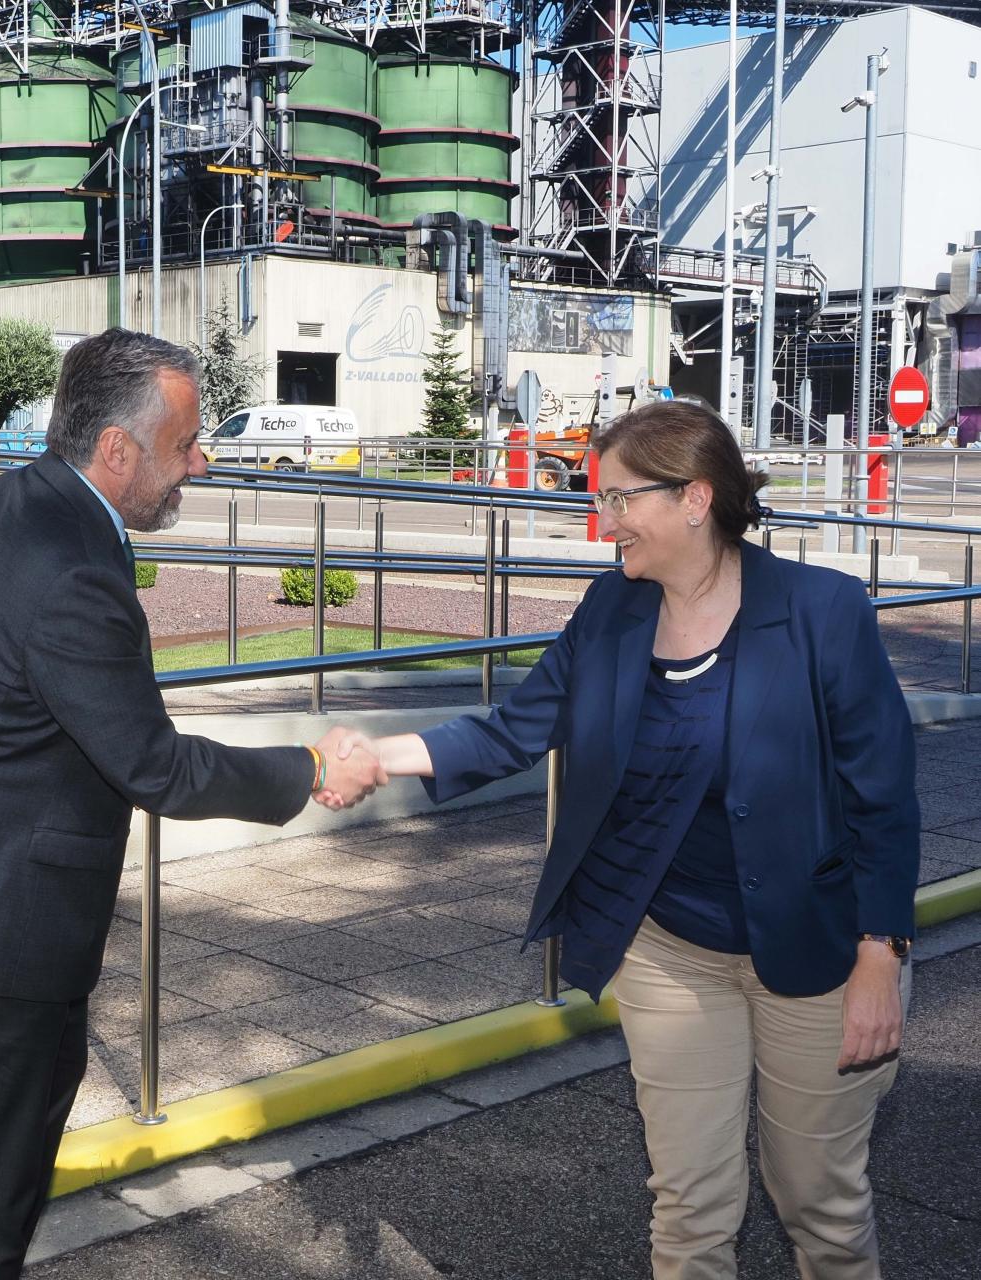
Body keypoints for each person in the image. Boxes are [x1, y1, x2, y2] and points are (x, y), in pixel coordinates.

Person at [344, 401, 917, 1280]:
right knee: (689, 1207)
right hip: (669, 947)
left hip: (820, 948)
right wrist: (378, 755)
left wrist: (881, 954)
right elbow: (511, 731)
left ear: (694, 498)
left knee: (821, 1206)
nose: (601, 521)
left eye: (617, 500)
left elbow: (882, 795)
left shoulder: (821, 611)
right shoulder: (612, 608)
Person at [0, 327, 386, 1279]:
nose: (200, 462)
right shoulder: (70, 564)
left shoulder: (25, 500)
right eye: (185, 445)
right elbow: (156, 767)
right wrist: (310, 767)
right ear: (116, 448)